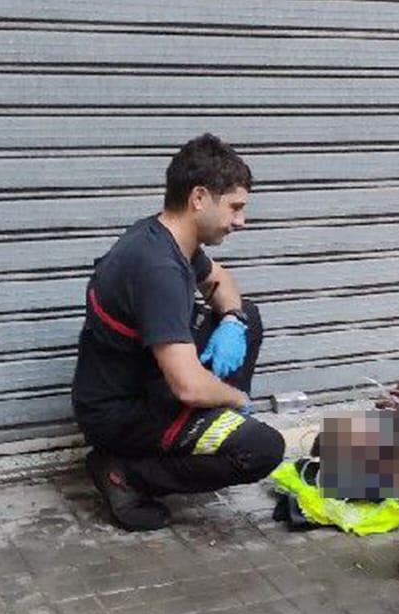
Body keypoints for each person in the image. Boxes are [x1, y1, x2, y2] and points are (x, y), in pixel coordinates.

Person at [71, 134, 286, 530]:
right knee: (262, 449)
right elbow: (187, 386)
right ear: (199, 198)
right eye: (235, 207)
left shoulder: (167, 239)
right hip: (124, 413)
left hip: (149, 381)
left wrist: (233, 321)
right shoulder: (158, 269)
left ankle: (205, 429)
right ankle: (127, 473)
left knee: (246, 316)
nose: (241, 221)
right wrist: (237, 399)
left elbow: (221, 281)